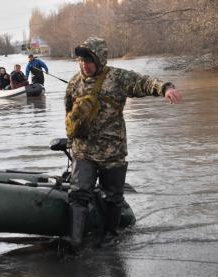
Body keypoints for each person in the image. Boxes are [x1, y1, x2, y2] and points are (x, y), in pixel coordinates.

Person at [64, 37, 182, 248]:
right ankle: (75, 241)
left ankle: (110, 237)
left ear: (99, 59)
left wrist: (165, 88)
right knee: (79, 194)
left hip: (113, 151)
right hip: (83, 151)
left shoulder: (117, 77)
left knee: (112, 197)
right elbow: (69, 116)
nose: (84, 65)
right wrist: (70, 142)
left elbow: (143, 82)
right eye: (81, 60)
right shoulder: (73, 83)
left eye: (89, 60)